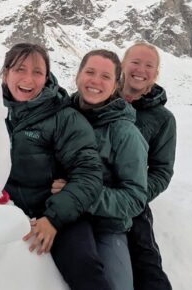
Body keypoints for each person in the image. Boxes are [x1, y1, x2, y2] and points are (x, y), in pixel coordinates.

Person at [1, 42, 111, 290]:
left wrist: (52, 218)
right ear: (5, 73)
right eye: (20, 69)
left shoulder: (65, 118)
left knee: (84, 266)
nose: (28, 78)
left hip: (60, 211)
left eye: (38, 72)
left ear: (46, 77)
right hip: (5, 208)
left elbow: (89, 174)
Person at [53, 49, 148, 290]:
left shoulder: (125, 134)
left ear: (116, 84)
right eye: (90, 72)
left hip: (108, 227)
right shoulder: (60, 116)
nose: (95, 81)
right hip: (62, 218)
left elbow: (135, 198)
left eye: (105, 77)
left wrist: (82, 195)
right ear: (78, 76)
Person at [121, 42, 177, 290]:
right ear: (122, 65)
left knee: (146, 261)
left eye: (148, 65)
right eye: (135, 62)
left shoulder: (163, 119)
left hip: (132, 201)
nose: (140, 70)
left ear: (155, 73)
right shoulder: (98, 98)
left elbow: (162, 171)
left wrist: (135, 195)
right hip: (88, 190)